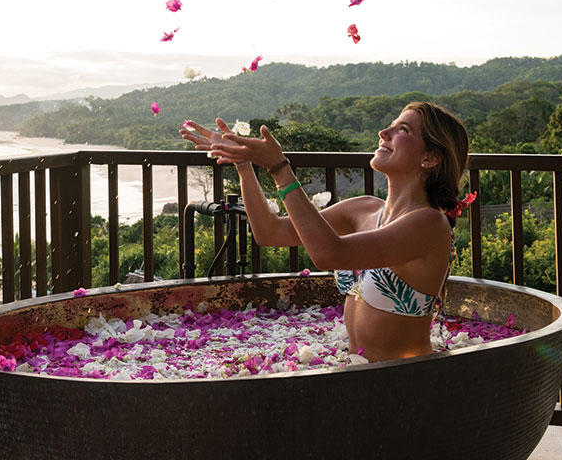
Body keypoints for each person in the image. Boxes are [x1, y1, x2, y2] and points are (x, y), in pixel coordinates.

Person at [179, 101, 471, 362]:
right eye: (391, 125)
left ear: (430, 158)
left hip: (405, 381)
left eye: (402, 130)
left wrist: (280, 168)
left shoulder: (429, 224)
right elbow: (270, 233)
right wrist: (244, 165)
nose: (383, 132)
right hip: (360, 374)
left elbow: (329, 253)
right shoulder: (362, 209)